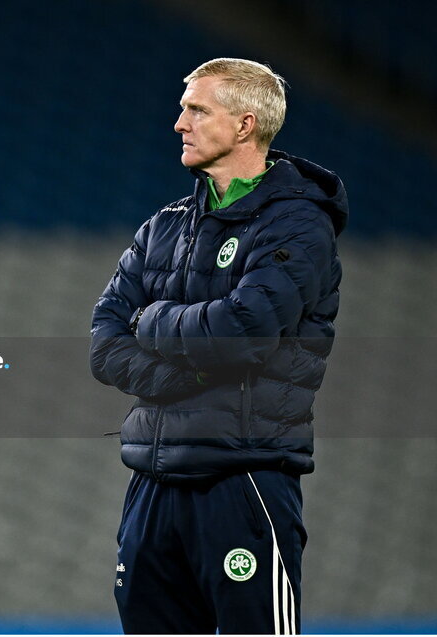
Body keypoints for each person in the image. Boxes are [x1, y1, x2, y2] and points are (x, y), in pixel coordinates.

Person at [90, 58, 347, 634]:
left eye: (196, 109)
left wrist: (152, 319)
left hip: (244, 479)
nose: (179, 123)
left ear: (245, 125)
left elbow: (244, 331)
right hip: (152, 483)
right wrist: (187, 375)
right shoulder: (163, 226)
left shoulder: (300, 225)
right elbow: (105, 342)